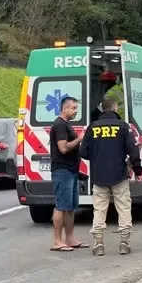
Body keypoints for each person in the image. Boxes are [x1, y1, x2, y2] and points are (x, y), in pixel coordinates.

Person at [81, 97, 142, 256]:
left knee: (99, 209)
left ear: (102, 108)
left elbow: (83, 151)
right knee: (123, 208)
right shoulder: (122, 126)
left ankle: (99, 244)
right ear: (115, 108)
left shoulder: (92, 127)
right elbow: (133, 151)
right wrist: (138, 170)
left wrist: (96, 159)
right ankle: (124, 243)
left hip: (98, 175)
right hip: (119, 174)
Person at [49, 95, 86, 252]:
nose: (75, 111)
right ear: (65, 108)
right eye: (73, 108)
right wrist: (79, 139)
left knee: (71, 206)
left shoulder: (66, 125)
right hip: (62, 170)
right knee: (61, 206)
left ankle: (70, 238)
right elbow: (63, 148)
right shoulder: (60, 126)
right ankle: (57, 241)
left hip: (71, 170)